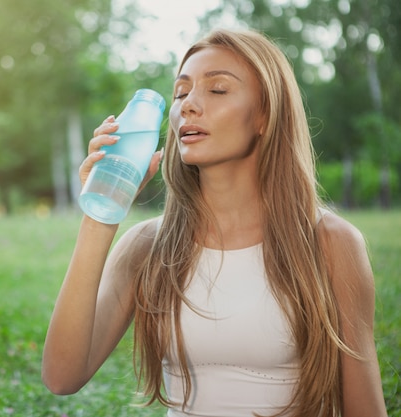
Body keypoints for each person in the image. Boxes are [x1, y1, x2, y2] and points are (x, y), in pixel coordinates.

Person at [41, 28, 388, 417]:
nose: (189, 105)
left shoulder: (329, 242)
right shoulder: (148, 247)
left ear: (265, 115)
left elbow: (365, 408)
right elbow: (62, 377)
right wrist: (101, 213)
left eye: (217, 89)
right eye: (181, 92)